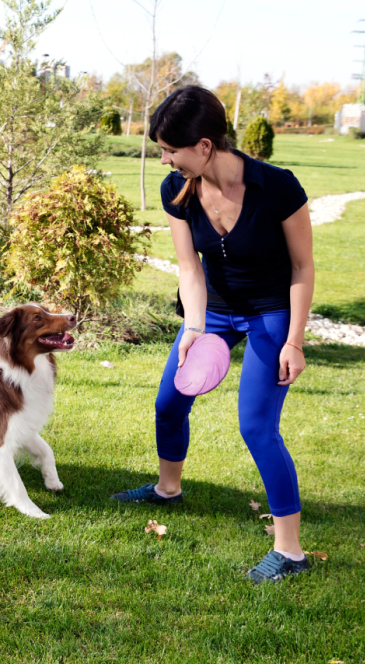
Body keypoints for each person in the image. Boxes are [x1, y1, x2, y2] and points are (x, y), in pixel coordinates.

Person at [111, 86, 316, 585]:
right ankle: (168, 489)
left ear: (204, 146)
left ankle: (290, 551)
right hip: (215, 311)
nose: (164, 160)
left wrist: (293, 340)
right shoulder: (177, 190)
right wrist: (195, 327)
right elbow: (189, 268)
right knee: (169, 402)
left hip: (269, 311)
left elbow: (302, 266)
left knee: (257, 427)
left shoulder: (277, 187)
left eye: (170, 150)